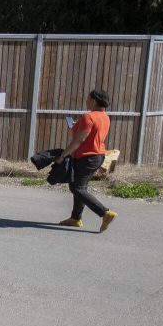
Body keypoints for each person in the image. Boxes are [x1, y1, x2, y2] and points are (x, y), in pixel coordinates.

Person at [56, 89, 118, 232]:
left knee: (76, 188)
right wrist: (77, 126)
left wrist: (63, 155)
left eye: (88, 99)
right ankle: (76, 218)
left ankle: (105, 213)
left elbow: (80, 139)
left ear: (94, 101)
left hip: (87, 157)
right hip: (98, 156)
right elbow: (90, 134)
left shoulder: (88, 117)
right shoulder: (105, 117)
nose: (86, 101)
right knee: (79, 186)